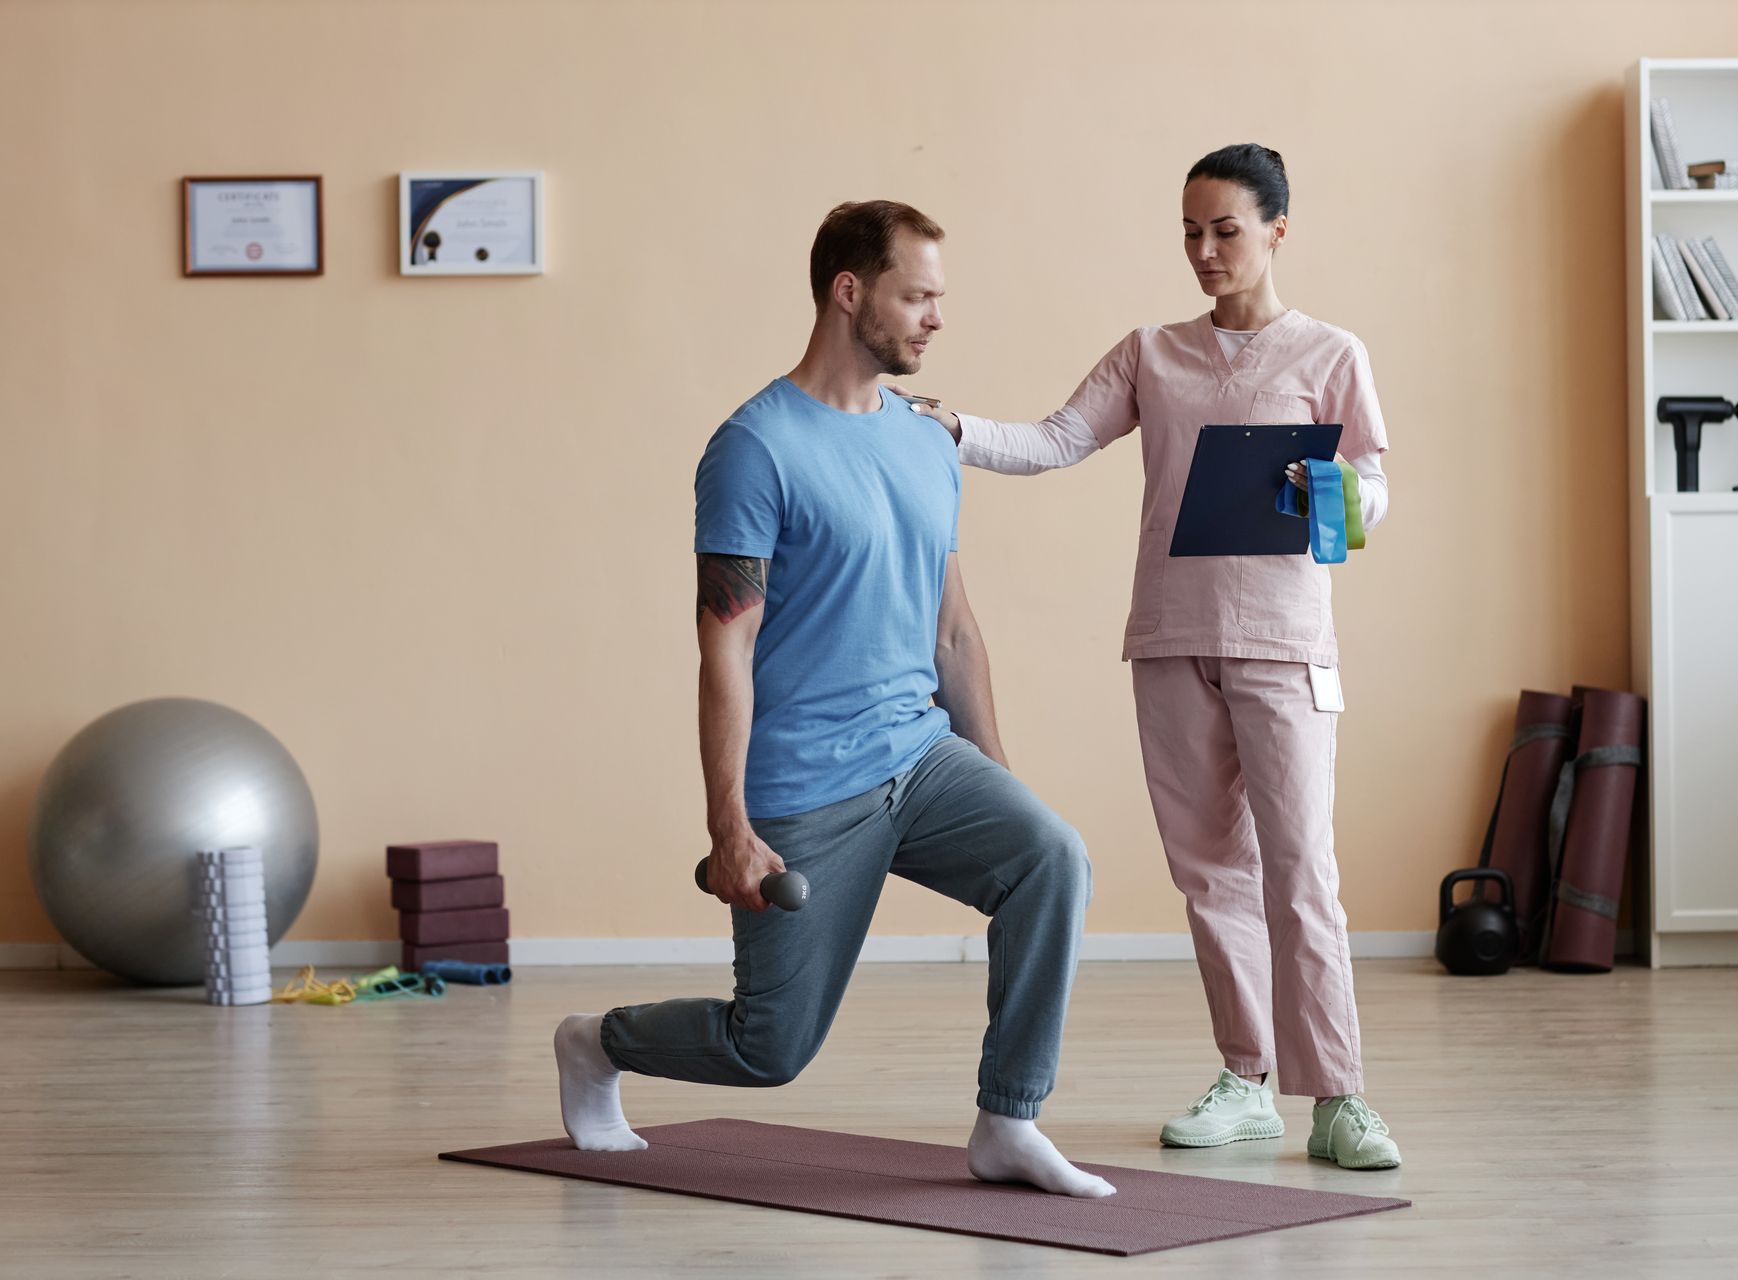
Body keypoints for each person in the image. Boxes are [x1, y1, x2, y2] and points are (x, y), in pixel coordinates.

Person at [551, 199, 1115, 1199]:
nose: (936, 318)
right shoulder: (755, 447)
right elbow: (725, 646)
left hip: (921, 753)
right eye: (918, 296)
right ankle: (597, 1042)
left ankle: (1008, 1119)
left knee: (1050, 855)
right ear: (850, 293)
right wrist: (728, 823)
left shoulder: (927, 439)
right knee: (768, 1047)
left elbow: (952, 628)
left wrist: (993, 775)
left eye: (940, 298)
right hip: (807, 781)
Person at [907, 145, 1400, 1170]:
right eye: (1190, 230)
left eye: (1225, 229)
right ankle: (1247, 1078)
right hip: (1171, 639)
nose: (1205, 250)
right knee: (1212, 873)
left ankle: (1341, 1094)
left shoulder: (1330, 353)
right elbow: (1053, 439)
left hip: (1284, 641)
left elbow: (1370, 494)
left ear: (1276, 230)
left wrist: (1342, 498)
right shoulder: (1152, 352)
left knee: (1301, 868)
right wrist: (953, 427)